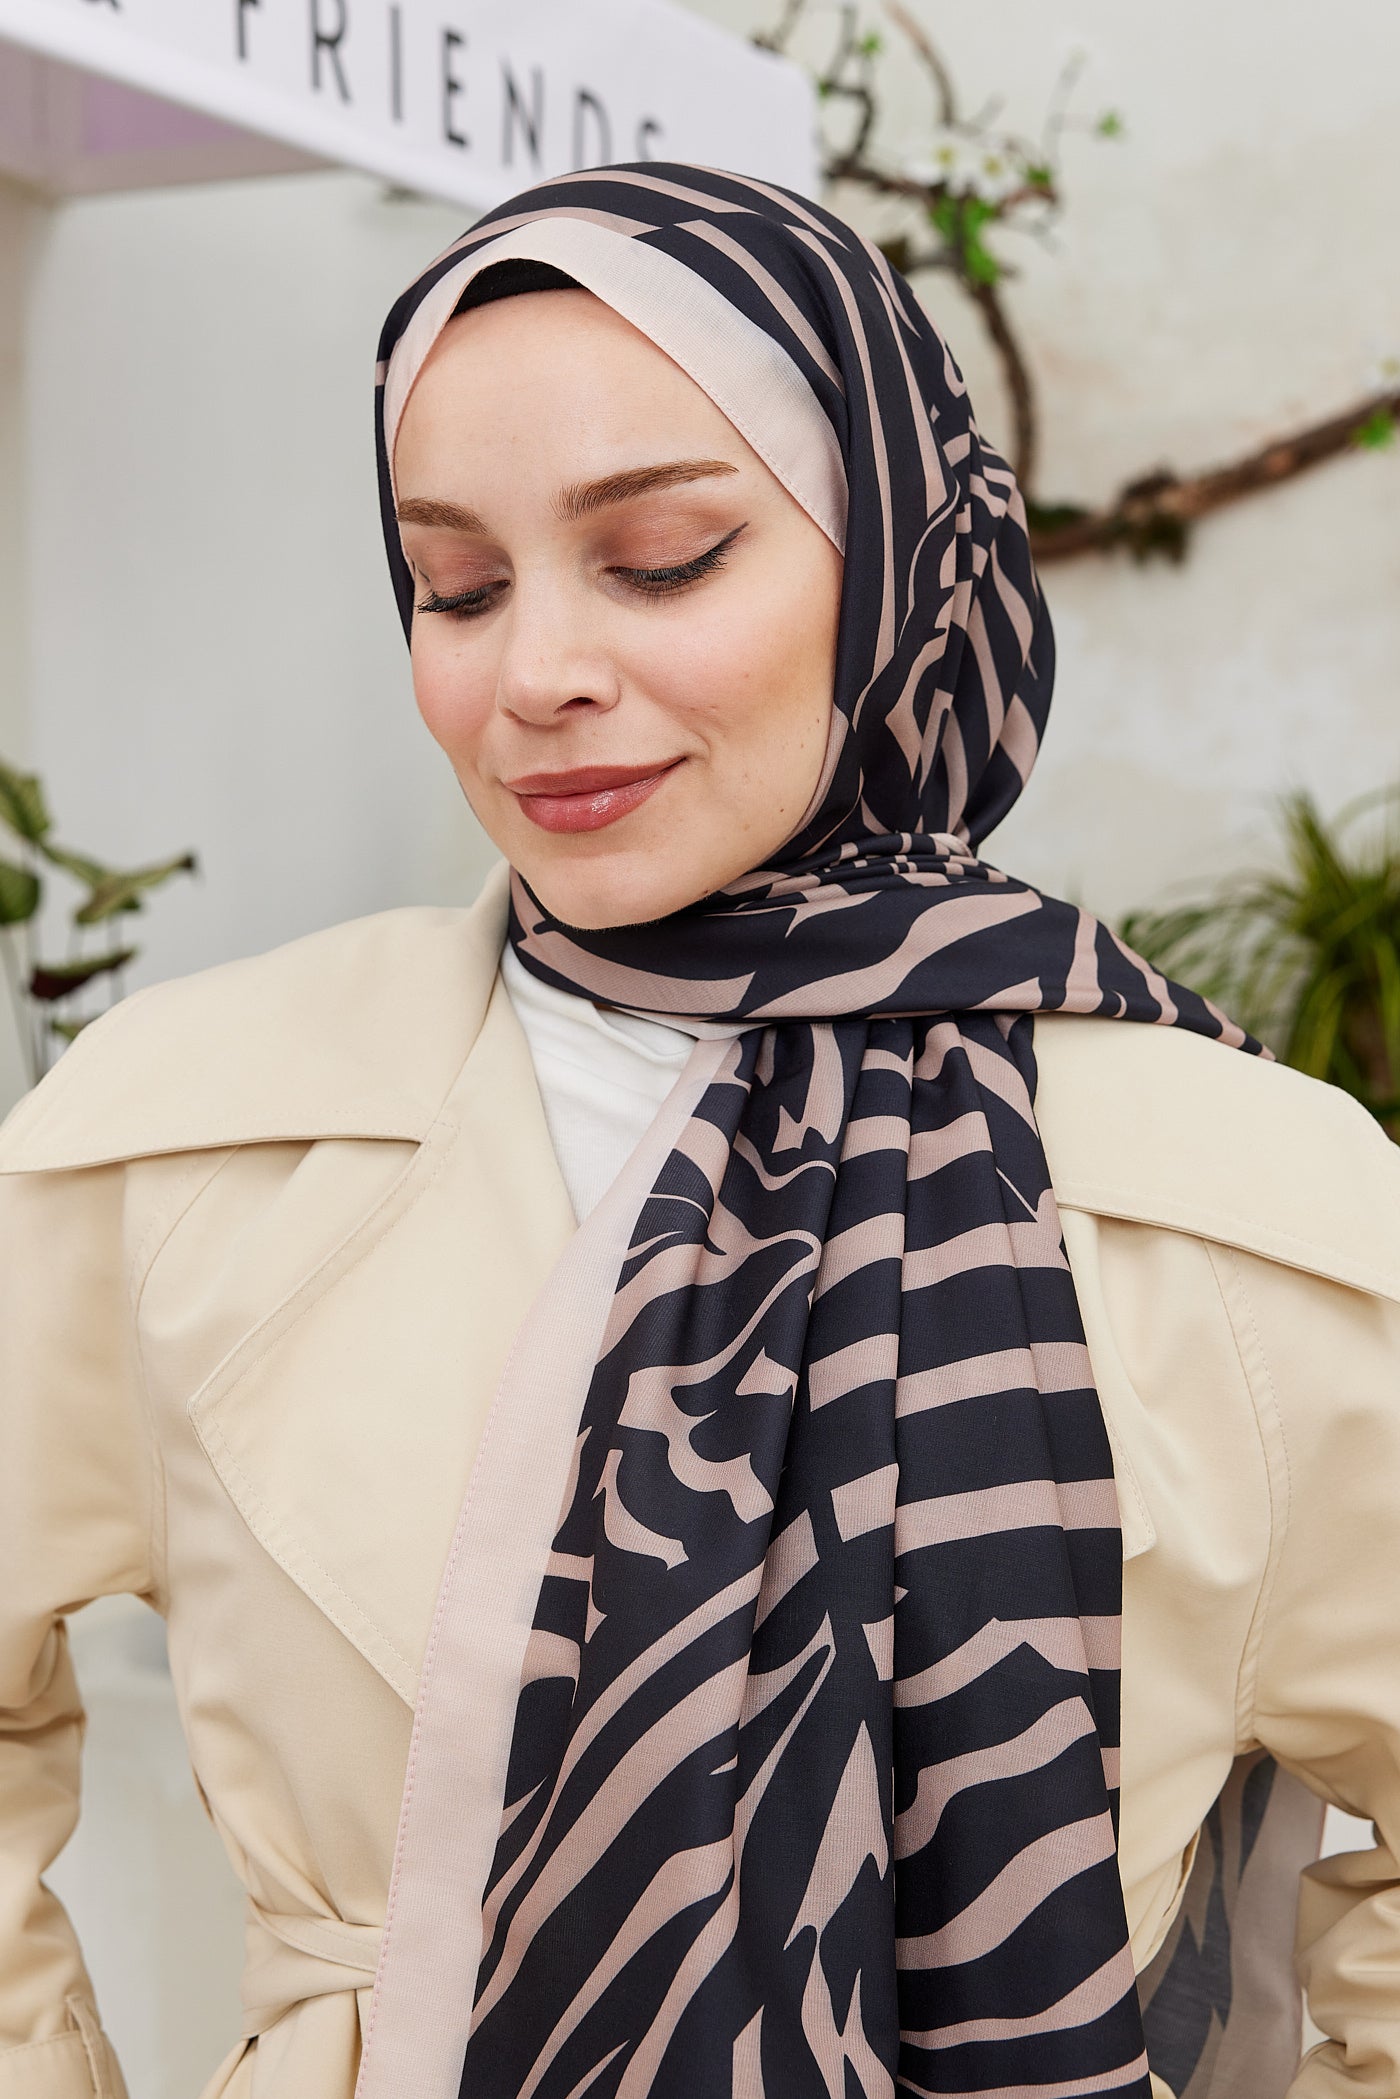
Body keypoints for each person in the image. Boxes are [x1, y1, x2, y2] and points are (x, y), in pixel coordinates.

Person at [0, 165, 1397, 2099]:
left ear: (896, 565)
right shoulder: (182, 1147)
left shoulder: (1250, 1211)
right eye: (456, 586)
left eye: (661, 559)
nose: (535, 674)